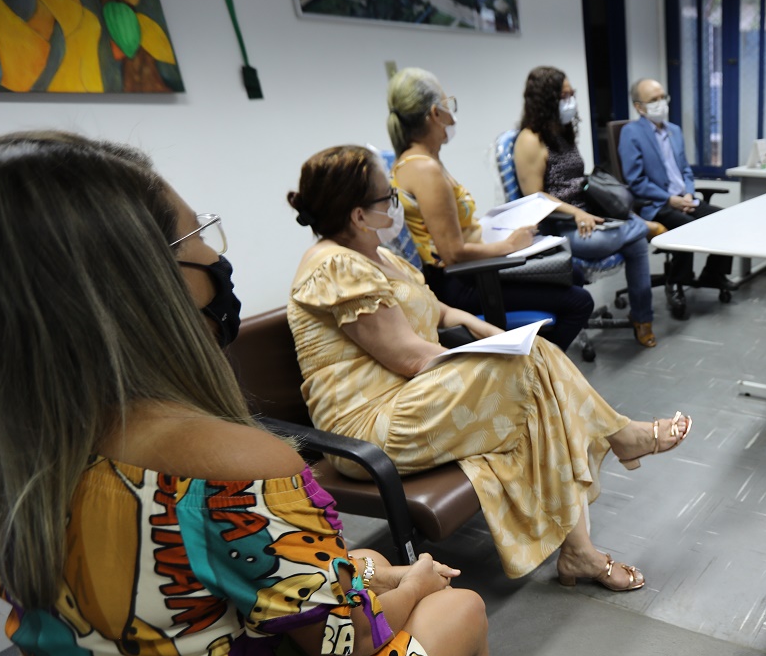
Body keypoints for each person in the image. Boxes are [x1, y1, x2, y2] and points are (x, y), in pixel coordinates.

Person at [0, 130, 494, 656]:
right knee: (458, 608)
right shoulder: (233, 461)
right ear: (135, 283)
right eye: (194, 238)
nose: (214, 260)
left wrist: (368, 573)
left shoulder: (22, 466)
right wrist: (415, 576)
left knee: (380, 581)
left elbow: (196, 598)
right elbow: (341, 643)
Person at [288, 145, 691, 592]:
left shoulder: (380, 257)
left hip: (410, 398)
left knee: (534, 382)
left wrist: (491, 334)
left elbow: (441, 313)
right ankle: (621, 438)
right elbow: (410, 357)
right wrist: (498, 355)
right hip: (372, 428)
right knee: (528, 368)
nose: (398, 206)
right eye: (389, 198)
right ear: (359, 215)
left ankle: (580, 548)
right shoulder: (335, 266)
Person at [385, 67, 593, 351]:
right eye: (449, 105)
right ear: (435, 114)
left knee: (574, 274)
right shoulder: (424, 169)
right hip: (462, 283)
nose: (451, 114)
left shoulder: (419, 161)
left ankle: (530, 358)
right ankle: (533, 370)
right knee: (580, 302)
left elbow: (445, 230)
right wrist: (509, 243)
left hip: (468, 272)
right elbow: (453, 253)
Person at [513, 66, 660, 347]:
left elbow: (576, 181)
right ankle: (644, 225)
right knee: (635, 234)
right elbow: (536, 198)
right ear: (544, 100)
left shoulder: (561, 131)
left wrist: (589, 210)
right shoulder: (530, 140)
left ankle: (642, 318)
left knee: (636, 243)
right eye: (564, 95)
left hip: (587, 218)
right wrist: (576, 212)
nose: (571, 100)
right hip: (559, 228)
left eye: (572, 94)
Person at [618, 77, 737, 315]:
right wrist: (669, 199)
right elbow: (636, 181)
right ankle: (676, 283)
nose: (661, 103)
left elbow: (685, 170)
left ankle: (712, 274)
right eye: (654, 100)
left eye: (663, 97)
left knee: (728, 219)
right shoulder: (631, 133)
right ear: (639, 106)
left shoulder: (674, 130)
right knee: (687, 228)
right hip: (654, 204)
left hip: (684, 198)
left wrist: (689, 194)